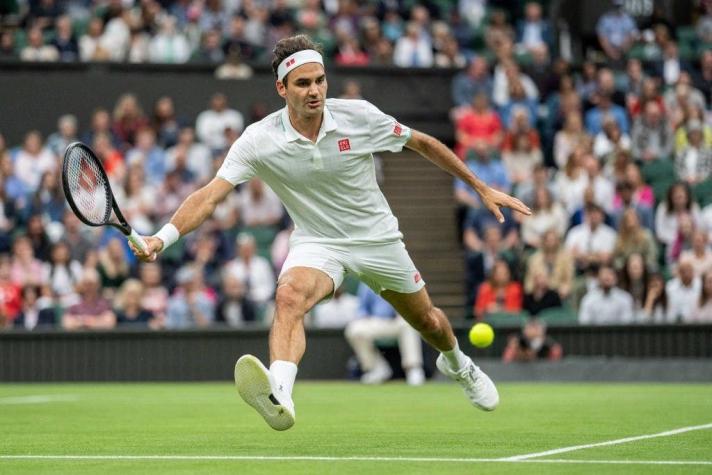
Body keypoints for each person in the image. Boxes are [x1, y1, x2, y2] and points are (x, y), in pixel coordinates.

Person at [129, 35, 531, 431]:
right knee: (288, 296)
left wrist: (480, 186)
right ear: (281, 88)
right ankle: (280, 394)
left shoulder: (358, 116)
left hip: (377, 239)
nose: (315, 90)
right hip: (317, 242)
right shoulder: (258, 140)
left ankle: (459, 364)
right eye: (303, 83)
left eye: (320, 80)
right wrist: (161, 238)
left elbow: (423, 144)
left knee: (428, 321)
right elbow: (210, 196)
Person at [345, 283, 425, 386]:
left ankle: (413, 369)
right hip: (377, 323)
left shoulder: (403, 277)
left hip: (398, 321)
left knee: (408, 323)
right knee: (354, 329)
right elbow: (362, 309)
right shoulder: (367, 282)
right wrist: (365, 317)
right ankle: (377, 369)